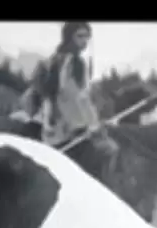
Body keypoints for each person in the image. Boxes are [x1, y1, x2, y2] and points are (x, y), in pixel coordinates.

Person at [37, 21, 117, 179]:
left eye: (87, 37)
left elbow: (51, 94)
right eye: (80, 36)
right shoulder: (75, 62)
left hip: (52, 124)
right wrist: (91, 125)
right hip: (68, 128)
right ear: (69, 38)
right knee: (110, 149)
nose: (84, 41)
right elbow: (74, 96)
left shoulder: (54, 59)